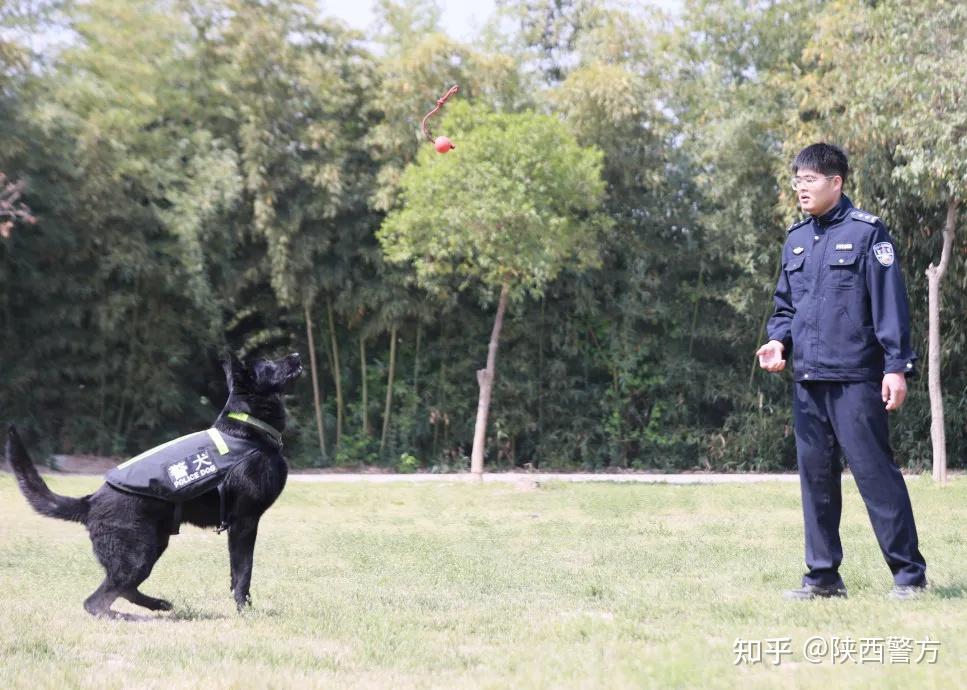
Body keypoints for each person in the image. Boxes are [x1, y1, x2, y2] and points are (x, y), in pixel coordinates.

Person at [756, 142, 927, 601]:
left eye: (810, 180)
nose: (801, 188)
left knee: (875, 476)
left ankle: (908, 575)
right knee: (816, 481)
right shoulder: (795, 239)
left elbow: (890, 305)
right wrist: (778, 341)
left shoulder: (868, 232)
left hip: (856, 377)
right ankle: (823, 578)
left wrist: (896, 367)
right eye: (797, 181)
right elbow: (785, 307)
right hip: (808, 379)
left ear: (836, 182)